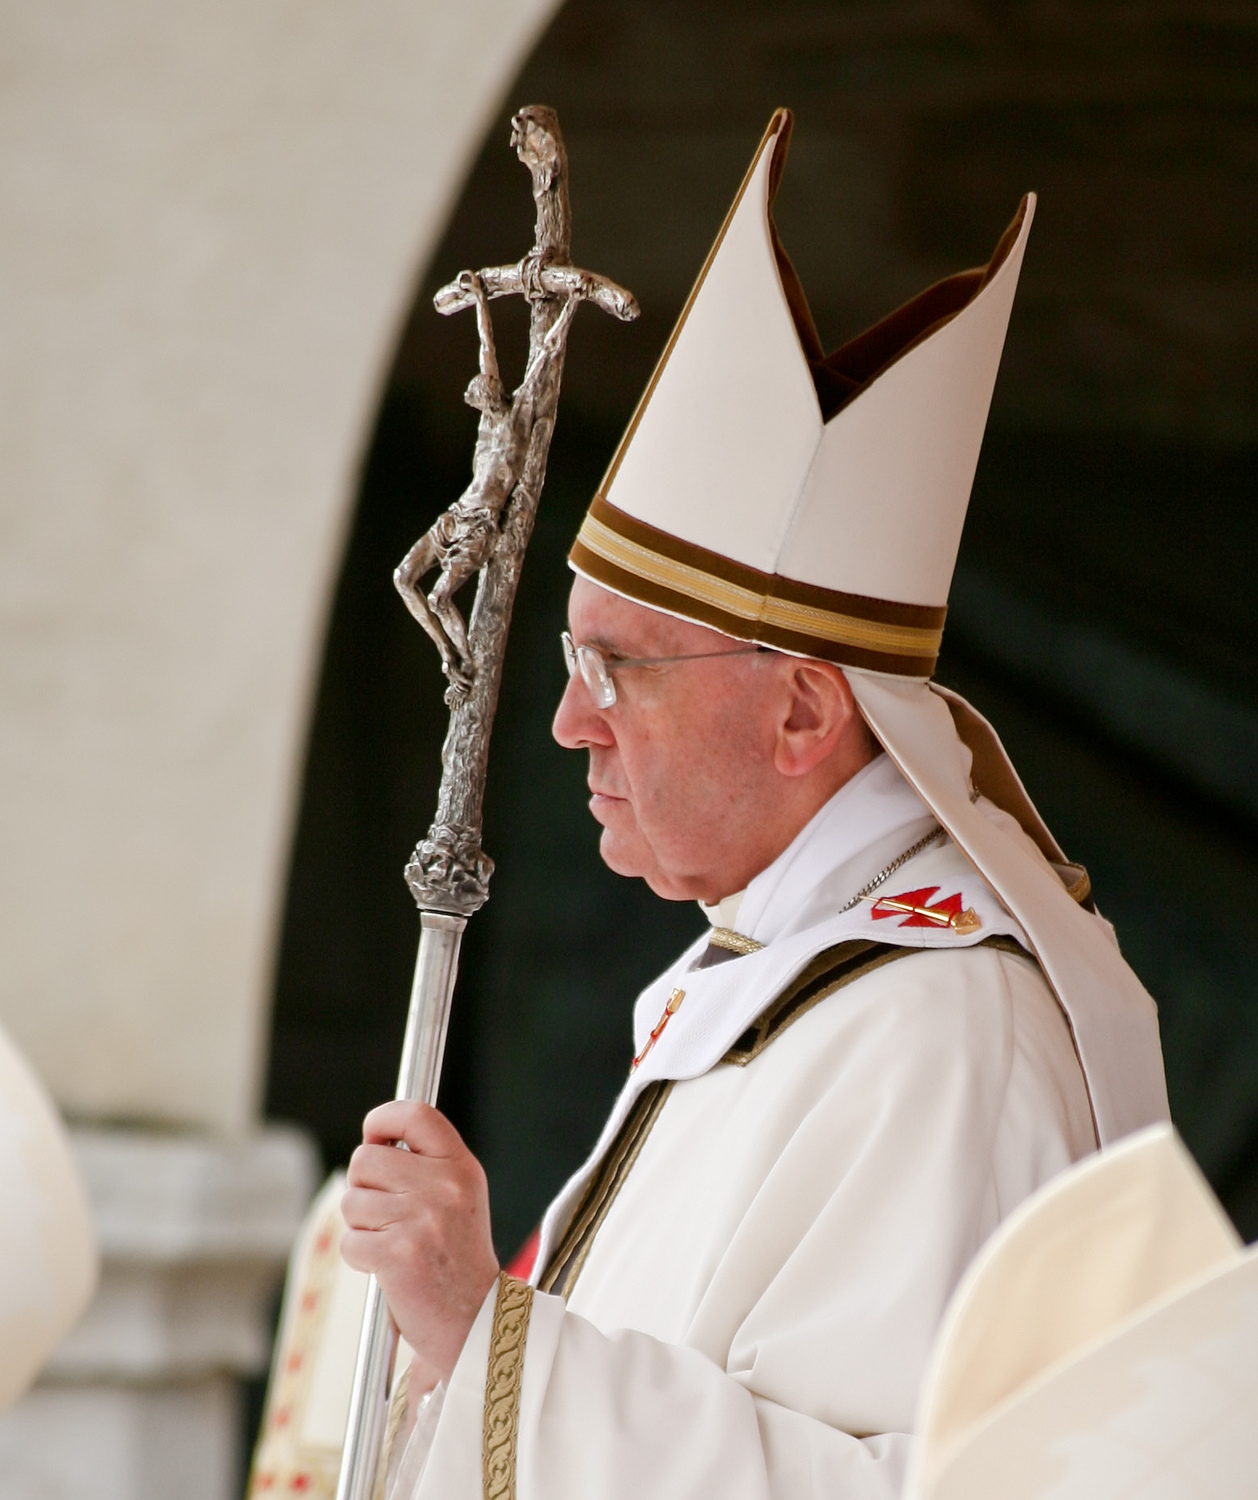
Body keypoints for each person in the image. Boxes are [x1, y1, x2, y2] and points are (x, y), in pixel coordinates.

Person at [341, 109, 1170, 1500]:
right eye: (568, 665)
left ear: (801, 710)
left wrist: (484, 1334)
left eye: (616, 670)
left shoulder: (937, 1035)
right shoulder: (777, 983)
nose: (568, 725)